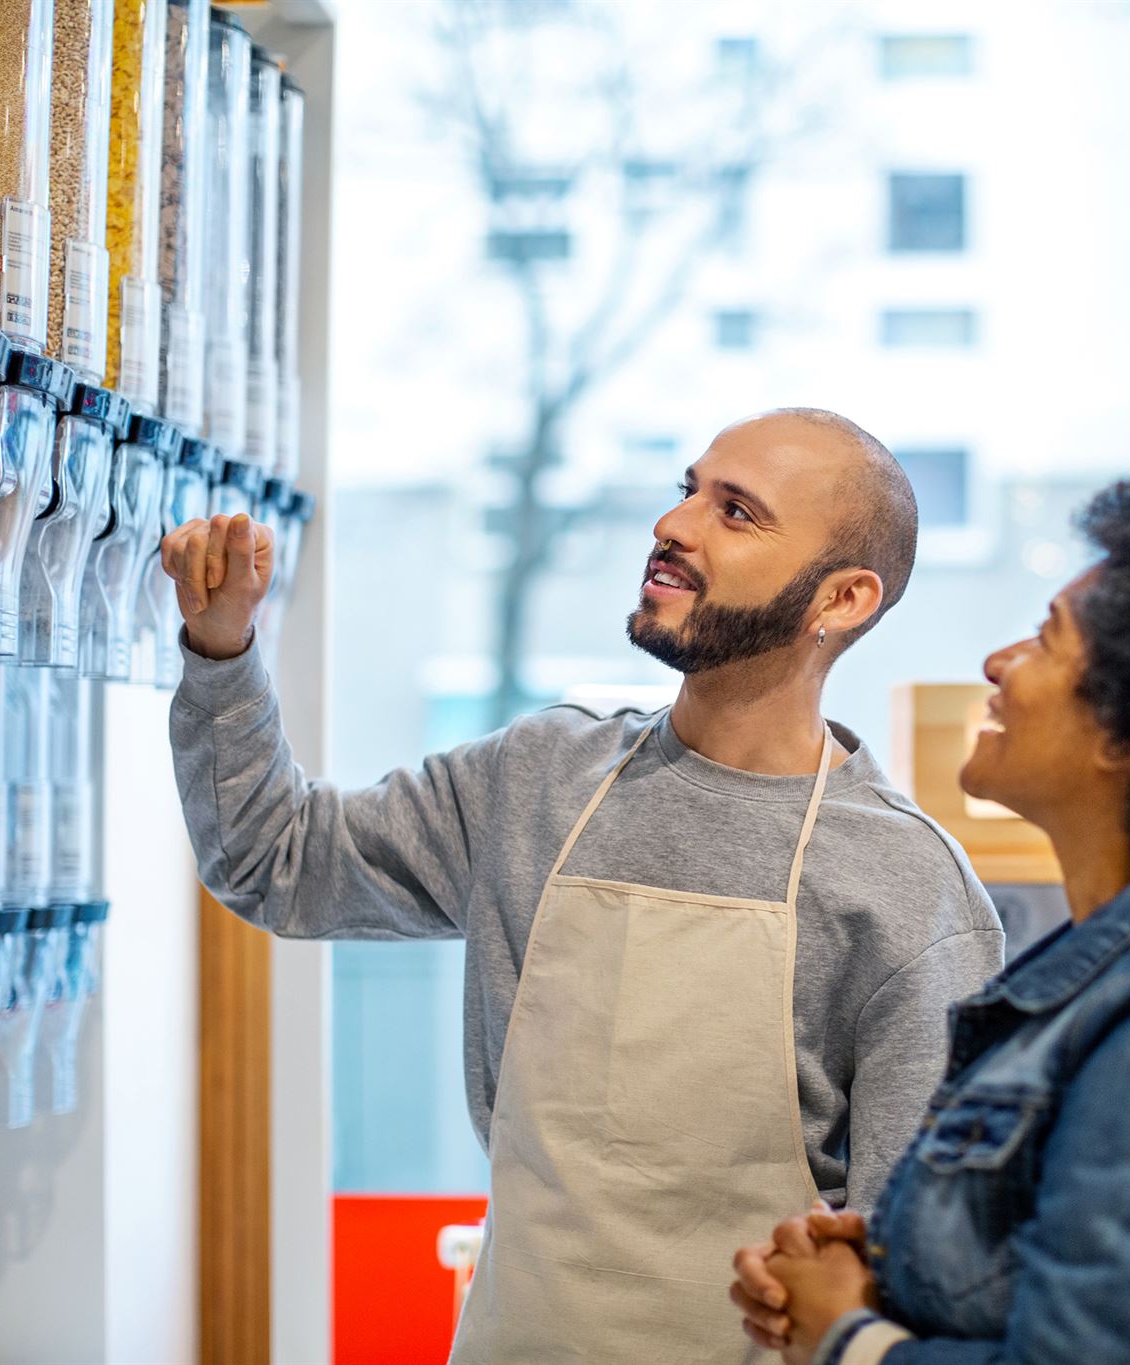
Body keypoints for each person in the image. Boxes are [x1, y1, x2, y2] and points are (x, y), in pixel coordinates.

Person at [162, 408, 1004, 1361]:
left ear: (844, 598)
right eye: (688, 490)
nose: (675, 525)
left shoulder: (906, 885)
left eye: (736, 512)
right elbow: (274, 861)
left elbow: (914, 1272)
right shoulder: (539, 779)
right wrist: (223, 650)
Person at [731, 469, 1130, 1365]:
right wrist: (885, 1273)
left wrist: (852, 1339)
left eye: (1046, 639)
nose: (998, 663)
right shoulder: (1123, 969)